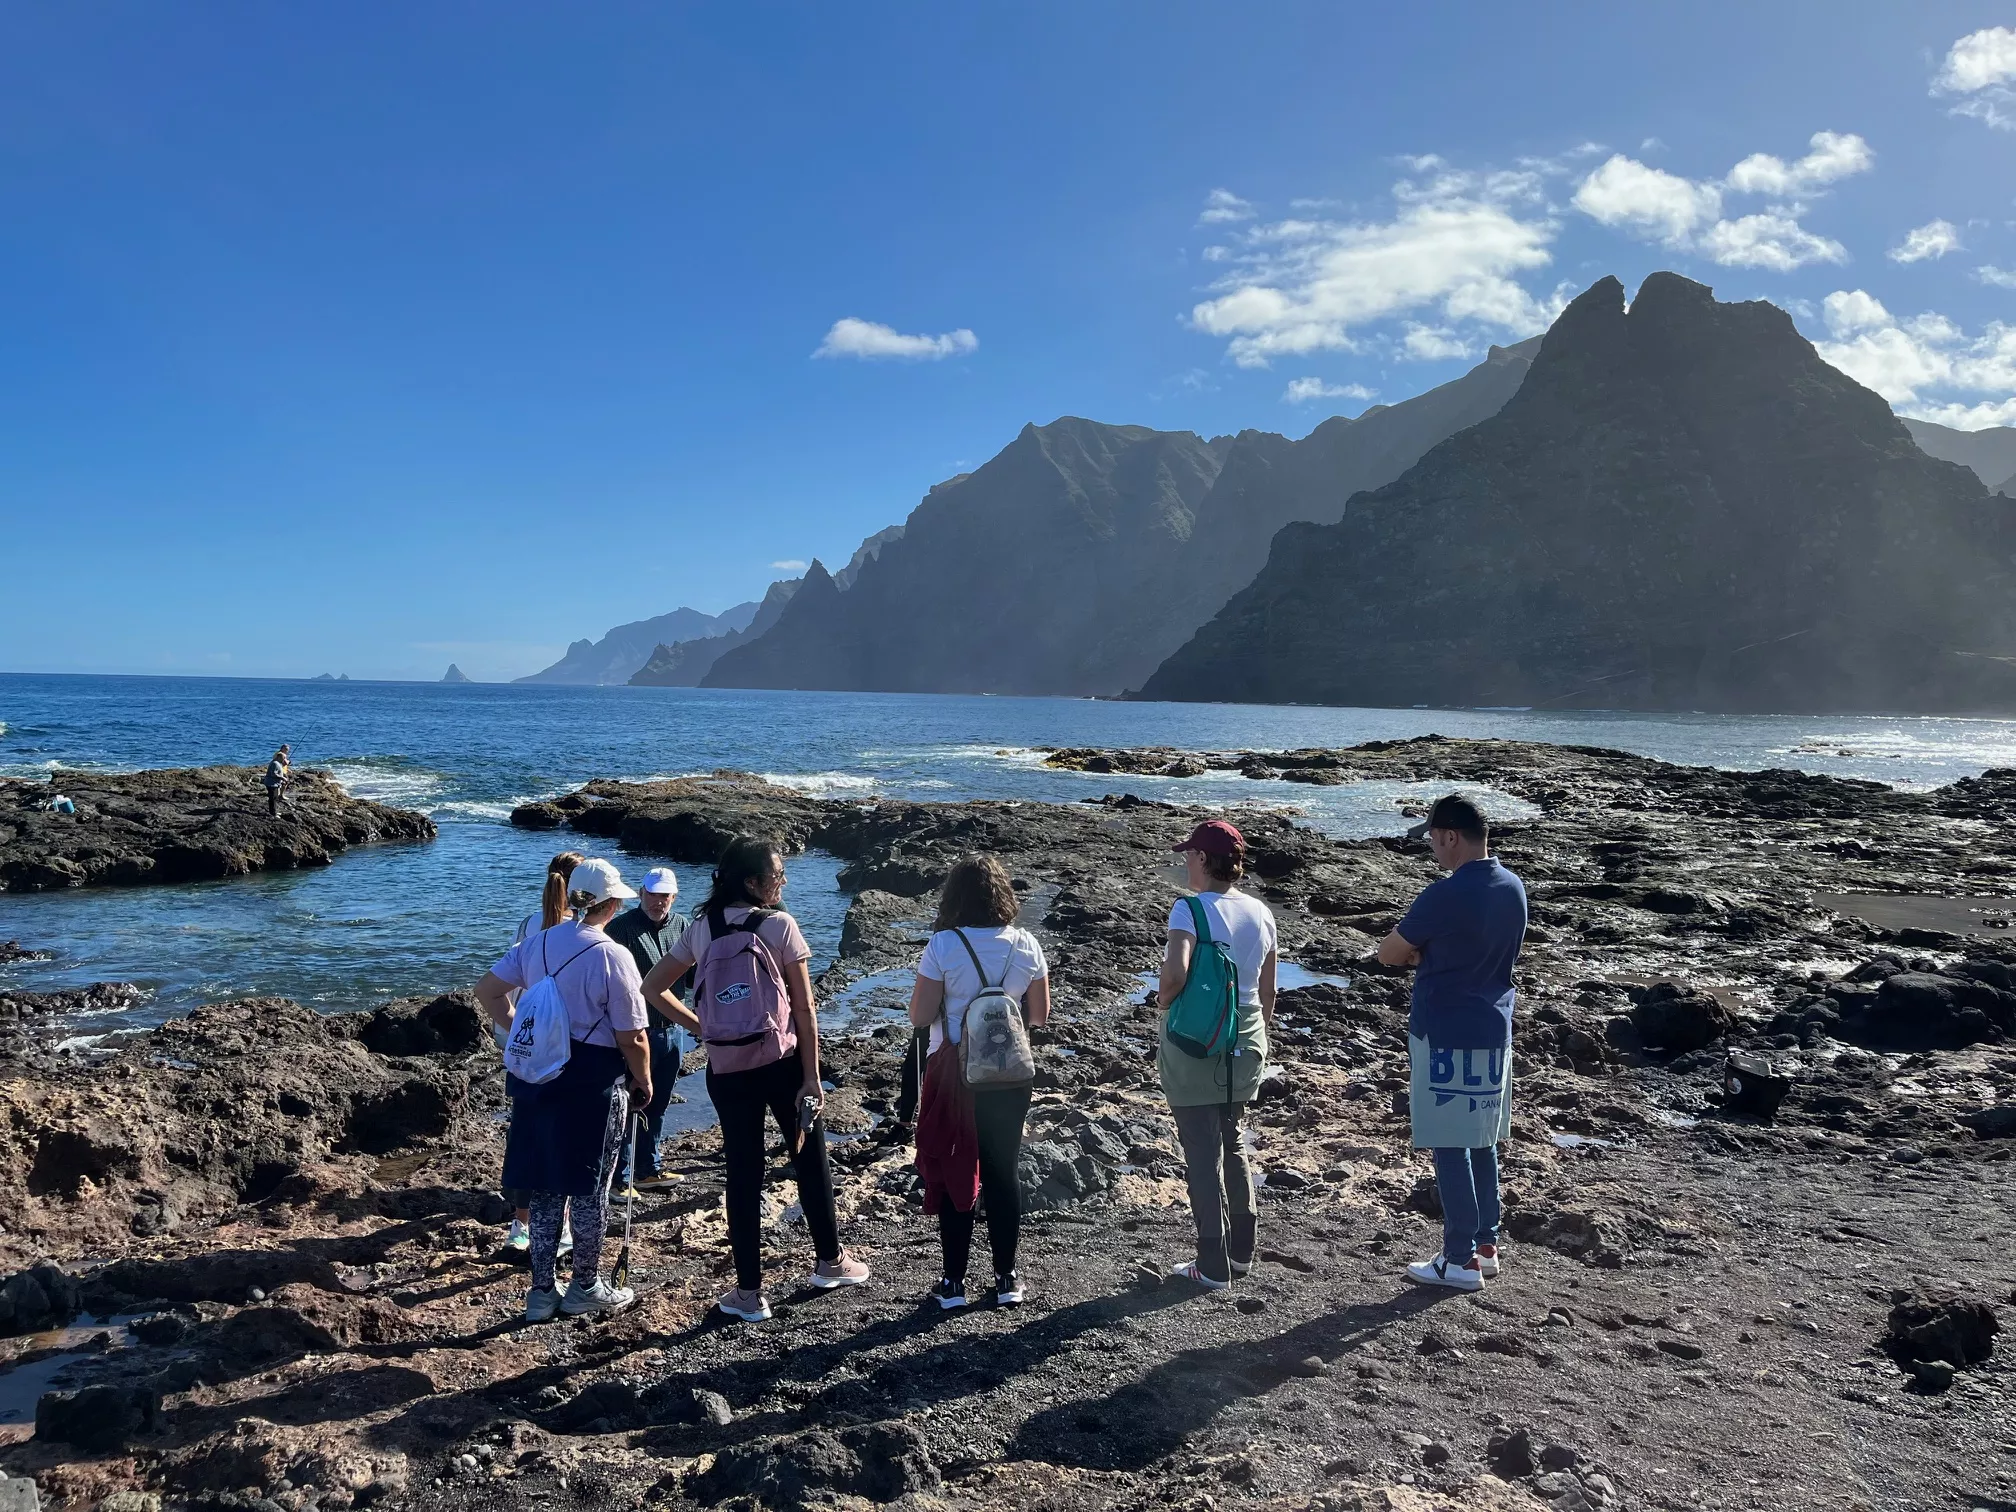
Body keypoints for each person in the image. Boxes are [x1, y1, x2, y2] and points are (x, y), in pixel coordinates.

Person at [639, 836, 869, 1321]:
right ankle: (831, 1263)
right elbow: (804, 1009)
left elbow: (652, 987)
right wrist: (812, 1077)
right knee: (809, 1161)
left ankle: (748, 1293)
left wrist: (703, 1028)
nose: (782, 883)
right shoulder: (780, 925)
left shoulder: (701, 928)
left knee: (743, 1175)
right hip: (782, 1064)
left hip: (727, 1068)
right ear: (751, 882)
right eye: (776, 876)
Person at [475, 857, 653, 1321]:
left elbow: (487, 991)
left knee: (545, 1186)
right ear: (611, 904)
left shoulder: (536, 942)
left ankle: (540, 1293)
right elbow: (632, 1035)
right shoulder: (612, 955)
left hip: (536, 1078)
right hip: (590, 1082)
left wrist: (523, 1032)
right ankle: (585, 1286)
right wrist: (643, 1079)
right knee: (591, 1189)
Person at [1378, 794, 1527, 1293]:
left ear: (1450, 836)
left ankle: (1458, 1259)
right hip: (1493, 1028)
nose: (1432, 848)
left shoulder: (1443, 895)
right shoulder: (1513, 887)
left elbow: (1388, 953)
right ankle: (1485, 1246)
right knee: (1482, 1140)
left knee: (1449, 1144)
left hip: (1444, 1031)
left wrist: (1420, 954)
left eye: (1433, 839)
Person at [907, 855, 1050, 1309]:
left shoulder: (944, 945)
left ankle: (953, 1284)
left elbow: (919, 1016)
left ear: (955, 897)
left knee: (956, 1171)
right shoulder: (1027, 943)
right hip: (1009, 1073)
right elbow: (1039, 1016)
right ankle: (1007, 1279)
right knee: (1002, 1171)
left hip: (955, 1075)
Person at [1156, 819, 1277, 1290]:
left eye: (1189, 854)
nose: (1186, 861)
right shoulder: (1261, 912)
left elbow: (1175, 974)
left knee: (1201, 1150)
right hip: (1247, 1037)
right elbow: (1267, 991)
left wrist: (1164, 1003)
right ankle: (1241, 1251)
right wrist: (1253, 1032)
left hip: (1197, 1040)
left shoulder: (1188, 909)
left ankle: (1211, 1264)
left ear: (1204, 859)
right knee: (1232, 1138)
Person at [499, 850, 586, 1255]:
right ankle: (561, 1224)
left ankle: (520, 1224)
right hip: (569, 1048)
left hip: (527, 1048)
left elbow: (502, 984)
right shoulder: (583, 933)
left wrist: (516, 1026)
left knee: (526, 1134)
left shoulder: (529, 924)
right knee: (565, 1137)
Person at [606, 866, 691, 1189]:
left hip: (673, 1031)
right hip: (636, 1032)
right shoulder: (620, 929)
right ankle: (619, 1178)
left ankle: (648, 1169)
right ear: (641, 893)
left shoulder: (682, 926)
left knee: (659, 1104)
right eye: (653, 894)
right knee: (630, 1103)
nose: (658, 901)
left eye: (665, 895)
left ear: (674, 896)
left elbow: (693, 977)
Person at [263, 745, 291, 817]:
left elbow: (279, 771)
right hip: (271, 784)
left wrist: (282, 777)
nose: (284, 760)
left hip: (275, 783)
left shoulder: (278, 763)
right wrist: (282, 778)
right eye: (283, 758)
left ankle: (274, 811)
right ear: (279, 757)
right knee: (273, 799)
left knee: (275, 798)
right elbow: (273, 774)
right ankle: (273, 813)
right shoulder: (275, 763)